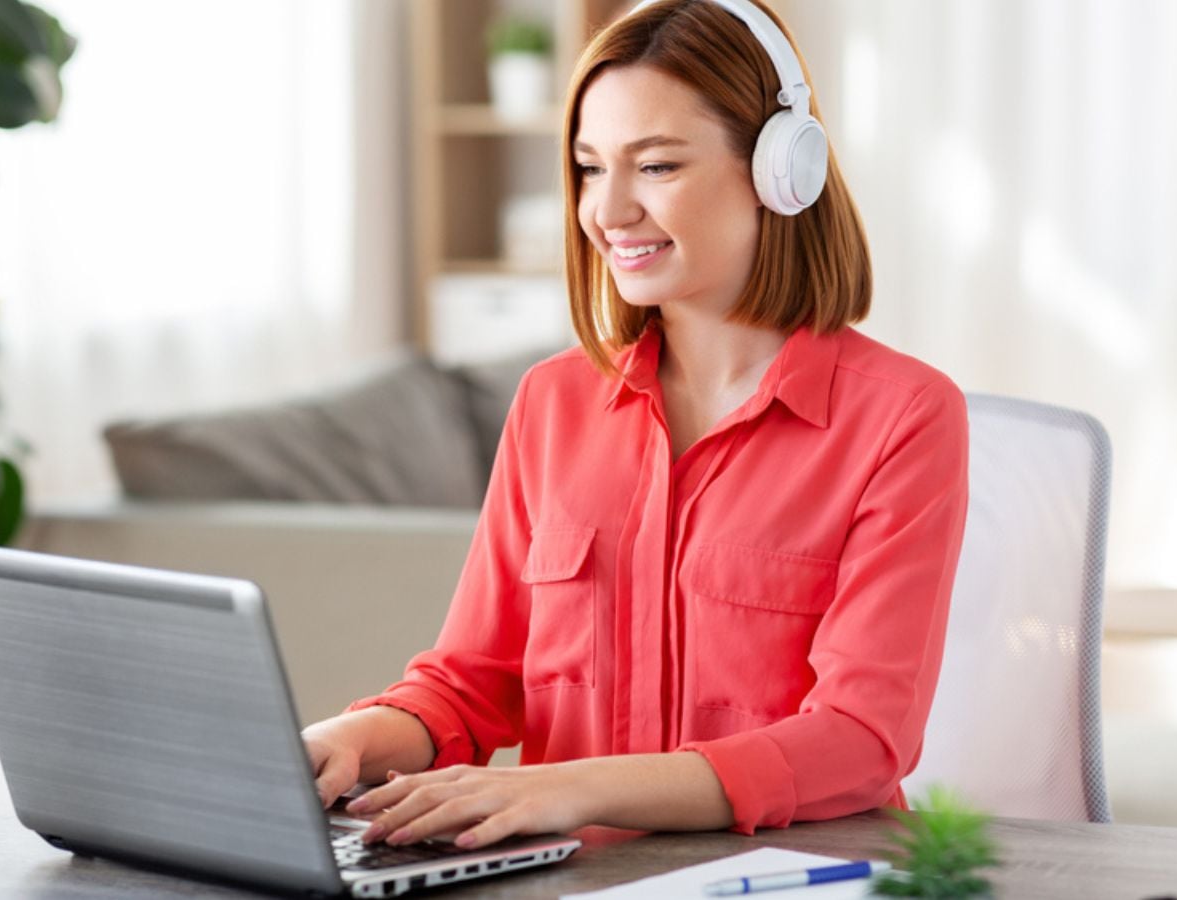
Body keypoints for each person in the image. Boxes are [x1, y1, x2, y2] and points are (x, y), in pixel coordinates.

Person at [301, 0, 969, 850]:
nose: (607, 210)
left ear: (778, 171)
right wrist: (350, 739)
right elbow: (473, 683)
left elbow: (860, 741)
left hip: (787, 875)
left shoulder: (904, 417)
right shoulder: (552, 403)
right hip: (571, 879)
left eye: (654, 166)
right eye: (588, 168)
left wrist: (567, 790)